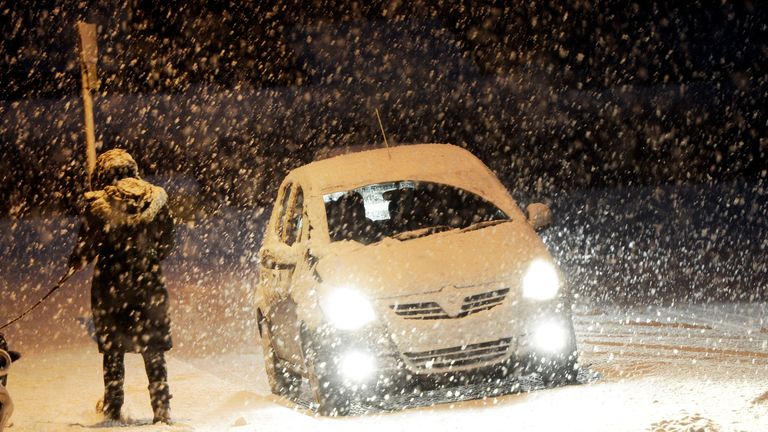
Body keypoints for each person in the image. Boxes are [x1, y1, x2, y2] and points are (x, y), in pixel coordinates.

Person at [68, 149, 175, 423]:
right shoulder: (157, 200)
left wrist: (76, 261)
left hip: (111, 288)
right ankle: (161, 407)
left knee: (113, 350)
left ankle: (113, 406)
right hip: (149, 284)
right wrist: (145, 258)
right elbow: (166, 245)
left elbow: (85, 249)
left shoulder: (98, 205)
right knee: (153, 349)